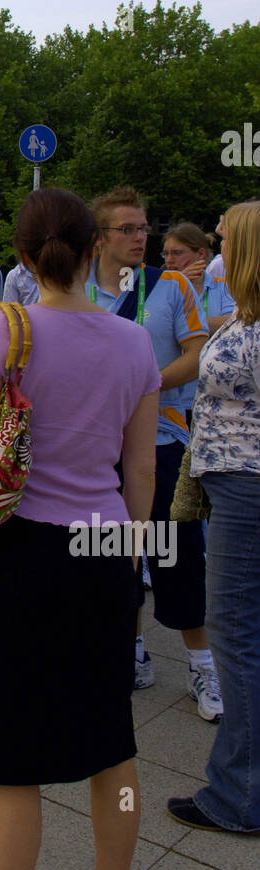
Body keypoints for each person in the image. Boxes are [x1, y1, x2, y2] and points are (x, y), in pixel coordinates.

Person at [0, 188, 159, 870]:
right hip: (103, 552)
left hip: (19, 551)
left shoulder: (5, 328)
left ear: (21, 256)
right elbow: (142, 467)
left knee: (11, 750)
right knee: (109, 738)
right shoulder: (134, 342)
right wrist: (131, 555)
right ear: (94, 249)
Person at [87, 188, 221, 718]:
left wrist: (145, 386)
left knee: (177, 555)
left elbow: (198, 354)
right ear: (99, 239)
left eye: (144, 228)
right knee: (114, 554)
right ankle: (132, 651)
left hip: (163, 445)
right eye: (128, 230)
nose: (141, 238)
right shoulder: (75, 289)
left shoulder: (170, 287)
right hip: (99, 450)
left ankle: (204, 669)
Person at [169, 201, 260, 834]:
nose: (213, 252)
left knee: (236, 633)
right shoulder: (241, 313)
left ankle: (239, 796)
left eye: (224, 239)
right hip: (229, 482)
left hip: (247, 487)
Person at [162, 222, 234, 336]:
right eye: (166, 254)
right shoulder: (160, 286)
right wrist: (178, 282)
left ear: (201, 254)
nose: (169, 260)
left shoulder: (223, 287)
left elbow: (232, 323)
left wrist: (179, 322)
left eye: (177, 253)